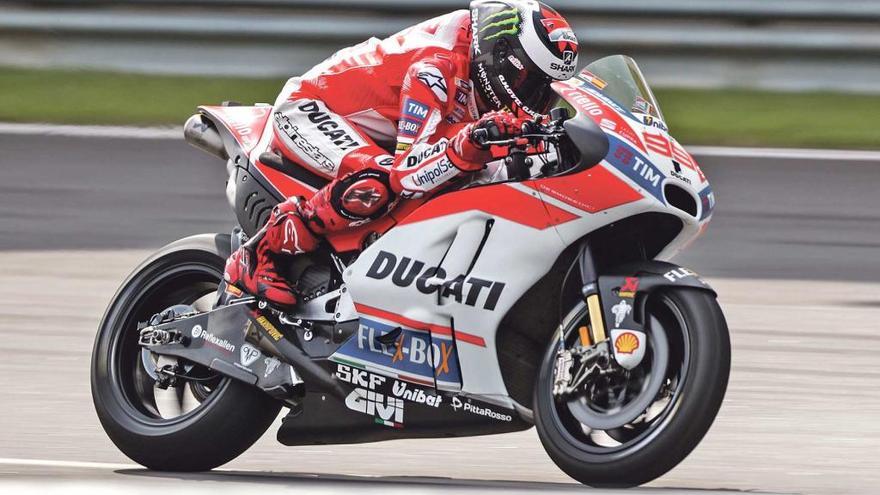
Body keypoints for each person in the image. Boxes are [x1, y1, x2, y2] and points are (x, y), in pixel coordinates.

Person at [224, 0, 580, 307]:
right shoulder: (435, 68)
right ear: (501, 56)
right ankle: (259, 252)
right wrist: (467, 146)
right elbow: (407, 173)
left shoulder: (482, 66)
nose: (537, 104)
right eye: (531, 87)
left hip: (382, 133)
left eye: (547, 95)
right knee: (378, 183)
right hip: (312, 109)